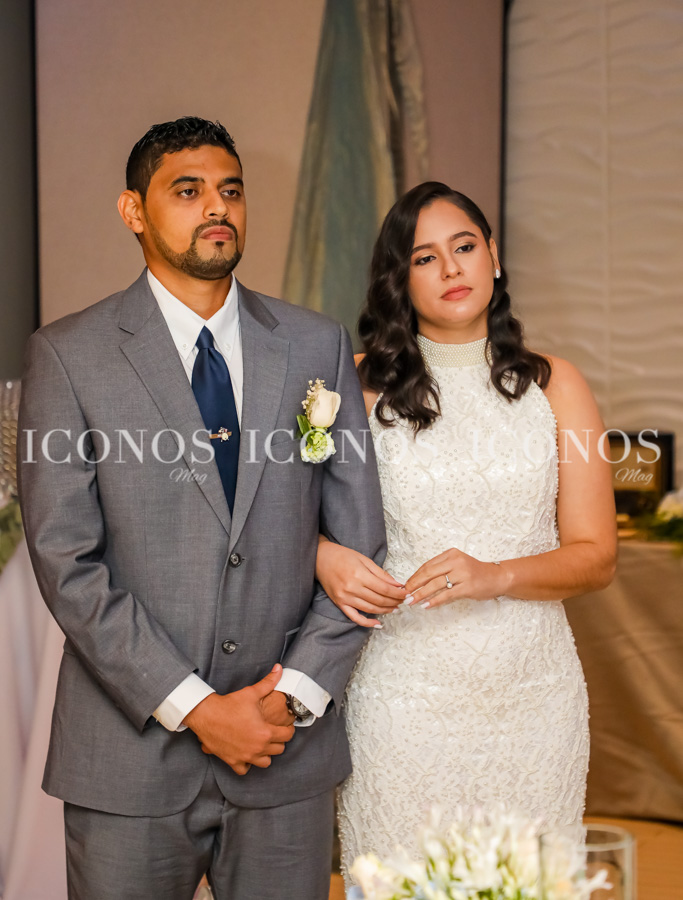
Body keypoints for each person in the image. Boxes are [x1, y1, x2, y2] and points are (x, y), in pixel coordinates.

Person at [17, 116, 386, 900]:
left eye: (230, 190)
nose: (216, 207)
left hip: (284, 752)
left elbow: (358, 541)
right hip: (129, 760)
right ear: (134, 211)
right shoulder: (68, 355)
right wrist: (198, 709)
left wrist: (291, 697)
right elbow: (66, 563)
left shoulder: (315, 346)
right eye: (187, 191)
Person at [314, 182, 617, 882]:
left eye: (464, 247)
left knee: (528, 885)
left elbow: (596, 555)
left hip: (533, 696)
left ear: (494, 257)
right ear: (398, 278)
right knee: (403, 883)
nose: (451, 269)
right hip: (401, 695)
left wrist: (497, 574)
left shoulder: (557, 385)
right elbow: (272, 515)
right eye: (424, 258)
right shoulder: (350, 387)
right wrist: (322, 554)